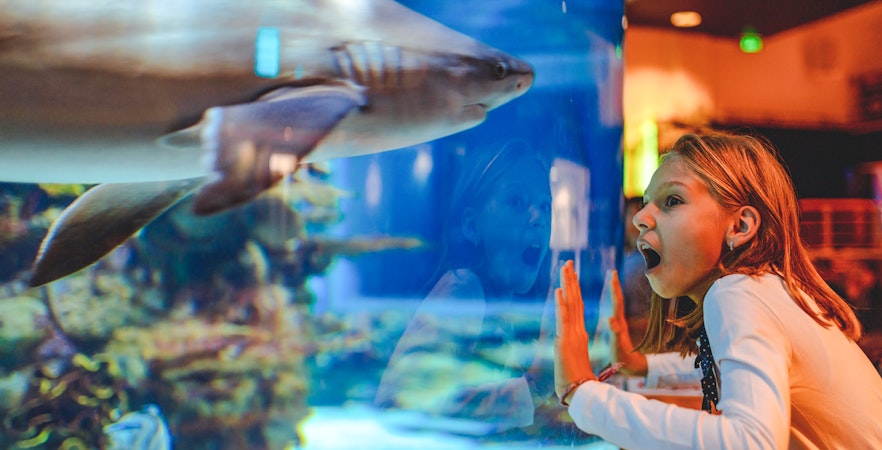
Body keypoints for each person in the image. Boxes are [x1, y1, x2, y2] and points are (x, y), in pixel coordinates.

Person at [554, 131, 882, 449]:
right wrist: (645, 365)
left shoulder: (737, 293)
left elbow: (750, 441)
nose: (640, 217)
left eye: (672, 200)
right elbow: (738, 363)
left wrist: (585, 396)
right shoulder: (762, 288)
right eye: (644, 203)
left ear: (739, 227)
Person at [375, 139, 556, 432]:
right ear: (472, 226)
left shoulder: (500, 305)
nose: (538, 218)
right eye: (517, 202)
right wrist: (536, 386)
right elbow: (410, 405)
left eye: (545, 205)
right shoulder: (462, 288)